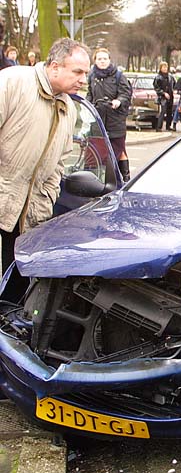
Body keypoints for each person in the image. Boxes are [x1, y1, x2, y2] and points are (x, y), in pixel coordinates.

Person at [0, 38, 89, 303]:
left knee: (14, 291)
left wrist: (46, 198)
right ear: (54, 67)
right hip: (3, 200)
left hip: (28, 217)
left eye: (86, 73)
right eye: (77, 72)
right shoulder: (13, 83)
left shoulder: (69, 109)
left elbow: (59, 163)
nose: (83, 79)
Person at [86, 48, 133, 181]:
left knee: (118, 149)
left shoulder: (118, 76)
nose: (102, 61)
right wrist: (87, 107)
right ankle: (95, 178)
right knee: (96, 149)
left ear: (109, 60)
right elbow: (90, 94)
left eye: (105, 59)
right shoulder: (92, 76)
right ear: (95, 60)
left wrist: (119, 101)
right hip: (98, 119)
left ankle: (125, 176)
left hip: (115, 119)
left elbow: (126, 93)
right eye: (99, 59)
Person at [153, 61, 176, 131]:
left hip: (170, 96)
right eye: (164, 67)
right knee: (163, 111)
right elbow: (156, 88)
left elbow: (174, 84)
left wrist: (174, 90)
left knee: (170, 112)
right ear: (160, 68)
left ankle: (168, 126)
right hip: (162, 97)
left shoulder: (170, 77)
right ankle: (159, 127)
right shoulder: (158, 77)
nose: (165, 68)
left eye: (166, 67)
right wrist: (163, 93)